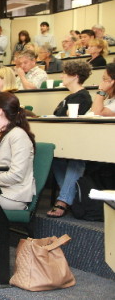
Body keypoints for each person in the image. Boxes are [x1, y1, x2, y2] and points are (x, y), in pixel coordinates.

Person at [47, 61, 93, 218]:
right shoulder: (69, 97)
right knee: (52, 157)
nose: (61, 76)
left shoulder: (83, 97)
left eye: (65, 74)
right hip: (64, 138)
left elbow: (71, 118)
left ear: (74, 76)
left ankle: (63, 200)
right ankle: (69, 195)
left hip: (78, 141)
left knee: (75, 159)